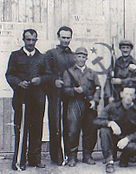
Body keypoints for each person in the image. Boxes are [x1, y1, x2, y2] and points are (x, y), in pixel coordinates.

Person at [6, 29, 48, 170]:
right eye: (28, 39)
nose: (31, 43)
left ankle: (35, 159)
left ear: (36, 40)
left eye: (33, 40)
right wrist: (19, 83)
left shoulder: (42, 57)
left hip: (38, 99)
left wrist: (40, 79)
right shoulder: (15, 56)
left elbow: (49, 76)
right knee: (21, 130)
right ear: (23, 40)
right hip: (22, 99)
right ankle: (19, 161)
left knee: (37, 130)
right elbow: (9, 75)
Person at [63, 47, 101, 167]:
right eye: (79, 56)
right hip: (75, 103)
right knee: (73, 130)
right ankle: (72, 157)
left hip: (89, 104)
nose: (81, 59)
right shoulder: (68, 72)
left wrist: (95, 101)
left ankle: (87, 155)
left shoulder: (91, 72)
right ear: (75, 57)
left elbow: (98, 88)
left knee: (91, 130)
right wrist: (75, 90)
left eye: (83, 57)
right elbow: (65, 90)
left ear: (86, 58)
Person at [94, 85, 136, 173]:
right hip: (112, 140)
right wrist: (110, 123)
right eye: (126, 94)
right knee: (104, 130)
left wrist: (128, 139)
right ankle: (109, 161)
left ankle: (124, 158)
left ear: (134, 96)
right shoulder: (112, 107)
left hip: (127, 142)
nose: (128, 97)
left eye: (131, 94)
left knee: (134, 147)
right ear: (121, 94)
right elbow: (96, 121)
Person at [44, 26, 75, 165]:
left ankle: (69, 155)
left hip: (69, 95)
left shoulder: (73, 55)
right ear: (58, 37)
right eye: (63, 37)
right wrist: (54, 80)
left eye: (68, 38)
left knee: (69, 125)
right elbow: (45, 72)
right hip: (55, 95)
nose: (66, 40)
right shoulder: (51, 54)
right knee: (56, 125)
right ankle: (57, 156)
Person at [104, 40, 136, 105]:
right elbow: (108, 80)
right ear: (120, 49)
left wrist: (121, 81)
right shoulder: (115, 64)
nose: (125, 50)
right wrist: (109, 96)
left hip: (130, 96)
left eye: (127, 48)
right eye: (123, 48)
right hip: (116, 96)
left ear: (131, 49)